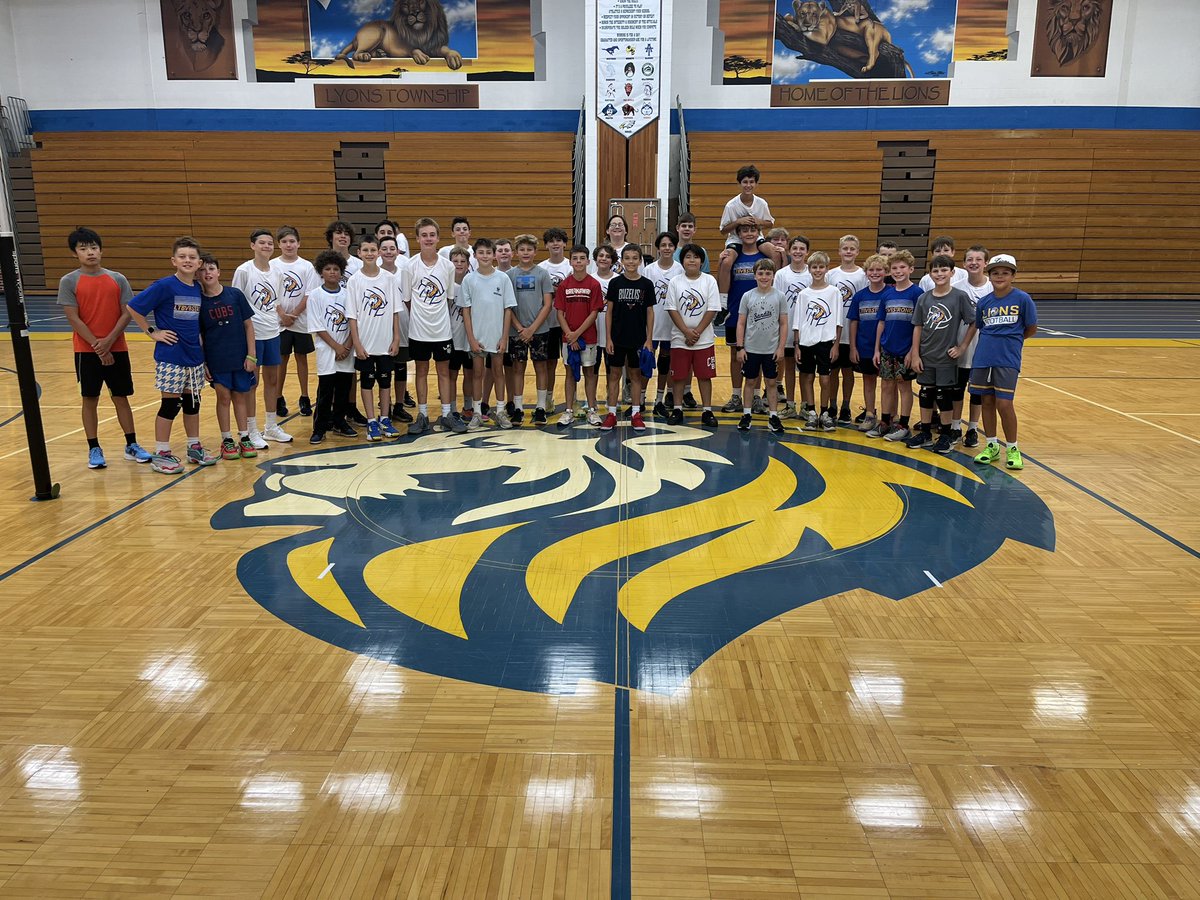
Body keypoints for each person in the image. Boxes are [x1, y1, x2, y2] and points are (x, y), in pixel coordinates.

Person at [57, 225, 152, 468]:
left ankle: (131, 444)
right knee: (90, 398)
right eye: (83, 248)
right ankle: (94, 448)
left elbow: (126, 313)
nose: (90, 252)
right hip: (86, 351)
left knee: (121, 397)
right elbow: (73, 318)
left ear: (101, 250)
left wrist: (109, 341)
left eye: (94, 247)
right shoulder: (69, 281)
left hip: (117, 347)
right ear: (74, 253)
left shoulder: (117, 278)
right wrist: (98, 346)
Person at [126, 236, 217, 473]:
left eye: (192, 257)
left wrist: (204, 358)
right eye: (183, 256)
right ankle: (162, 453)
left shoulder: (197, 288)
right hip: (171, 357)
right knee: (170, 405)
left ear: (199, 263)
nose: (187, 260)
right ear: (174, 260)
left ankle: (193, 447)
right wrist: (152, 332)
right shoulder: (164, 286)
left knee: (192, 404)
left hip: (194, 358)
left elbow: (196, 326)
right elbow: (133, 307)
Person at [961, 254, 1037, 470]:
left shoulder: (1022, 299)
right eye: (995, 273)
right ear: (990, 275)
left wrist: (1011, 341)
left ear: (1013, 275)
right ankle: (992, 445)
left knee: (1004, 403)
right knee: (986, 401)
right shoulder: (985, 302)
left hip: (1008, 359)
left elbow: (1031, 328)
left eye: (1005, 272)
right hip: (984, 357)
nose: (1000, 276)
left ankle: (1012, 448)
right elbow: (981, 327)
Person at [903, 254, 975, 455]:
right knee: (926, 394)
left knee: (944, 397)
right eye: (935, 270)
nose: (939, 274)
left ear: (952, 273)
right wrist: (915, 354)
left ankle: (946, 434)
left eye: (944, 270)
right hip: (926, 356)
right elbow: (917, 327)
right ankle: (925, 432)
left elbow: (974, 322)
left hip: (946, 358)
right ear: (930, 274)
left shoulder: (959, 296)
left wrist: (962, 347)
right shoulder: (924, 298)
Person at [403, 217, 467, 435]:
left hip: (442, 330)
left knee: (444, 372)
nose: (428, 239)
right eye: (424, 235)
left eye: (432, 235)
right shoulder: (410, 266)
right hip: (418, 330)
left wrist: (435, 316)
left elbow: (449, 298)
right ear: (417, 238)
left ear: (438, 238)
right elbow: (407, 300)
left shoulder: (447, 266)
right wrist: (421, 316)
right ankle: (422, 415)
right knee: (421, 371)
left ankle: (447, 413)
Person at [197, 254, 258, 460]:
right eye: (203, 270)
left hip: (240, 356)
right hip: (216, 358)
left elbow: (249, 326)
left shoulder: (235, 295)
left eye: (211, 269)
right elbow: (200, 335)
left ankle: (244, 437)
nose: (207, 273)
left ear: (219, 272)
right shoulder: (199, 302)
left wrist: (252, 355)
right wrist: (204, 362)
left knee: (240, 396)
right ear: (197, 274)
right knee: (223, 397)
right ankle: (227, 440)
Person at [232, 229, 283, 451]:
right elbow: (235, 302)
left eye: (270, 243)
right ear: (253, 245)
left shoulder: (278, 272)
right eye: (262, 243)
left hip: (273, 331)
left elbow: (276, 303)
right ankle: (251, 430)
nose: (266, 246)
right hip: (252, 334)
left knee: (273, 380)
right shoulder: (244, 271)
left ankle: (271, 426)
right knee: (252, 383)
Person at [458, 237, 516, 430]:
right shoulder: (469, 279)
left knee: (499, 372)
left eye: (488, 252)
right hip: (477, 338)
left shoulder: (503, 278)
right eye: (481, 253)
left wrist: (505, 336)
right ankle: (476, 412)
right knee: (477, 373)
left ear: (494, 255)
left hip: (497, 336)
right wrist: (471, 338)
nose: (485, 256)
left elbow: (508, 309)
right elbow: (465, 310)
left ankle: (500, 411)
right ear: (475, 255)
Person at [346, 235, 400, 441]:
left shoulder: (389, 279)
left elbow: (395, 311)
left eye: (372, 250)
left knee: (386, 383)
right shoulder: (354, 281)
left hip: (385, 344)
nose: (369, 254)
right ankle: (371, 421)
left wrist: (396, 338)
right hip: (365, 345)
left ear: (378, 252)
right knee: (367, 383)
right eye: (365, 250)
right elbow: (352, 316)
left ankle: (385, 418)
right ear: (359, 253)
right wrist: (357, 344)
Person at [664, 244, 721, 427]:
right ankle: (678, 409)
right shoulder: (675, 282)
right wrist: (686, 332)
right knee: (679, 376)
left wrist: (696, 332)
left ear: (701, 261)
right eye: (688, 257)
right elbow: (672, 309)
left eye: (696, 257)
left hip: (703, 339)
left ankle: (707, 411)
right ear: (682, 261)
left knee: (704, 376)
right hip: (680, 338)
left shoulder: (709, 281)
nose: (692, 260)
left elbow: (712, 309)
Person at [868, 250, 923, 441]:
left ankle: (903, 425)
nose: (898, 271)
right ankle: (885, 422)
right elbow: (881, 323)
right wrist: (877, 349)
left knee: (904, 386)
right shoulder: (888, 294)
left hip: (905, 350)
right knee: (886, 386)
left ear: (911, 269)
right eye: (894, 268)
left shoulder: (917, 293)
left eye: (902, 267)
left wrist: (913, 351)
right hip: (887, 349)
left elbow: (919, 325)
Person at [602, 244, 656, 433]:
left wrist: (649, 339)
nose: (631, 261)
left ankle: (635, 413)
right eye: (627, 258)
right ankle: (611, 414)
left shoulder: (647, 284)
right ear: (621, 261)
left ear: (640, 261)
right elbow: (609, 312)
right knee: (614, 375)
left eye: (635, 258)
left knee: (635, 376)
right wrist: (608, 338)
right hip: (617, 338)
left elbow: (650, 312)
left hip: (638, 339)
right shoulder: (615, 283)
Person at [719, 222, 769, 414]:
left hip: (761, 315)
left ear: (758, 233)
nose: (749, 233)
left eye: (752, 230)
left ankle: (756, 396)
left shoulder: (764, 256)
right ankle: (736, 395)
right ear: (738, 234)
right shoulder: (732, 256)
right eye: (745, 230)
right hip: (735, 312)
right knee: (735, 356)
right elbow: (721, 279)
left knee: (758, 355)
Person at [307, 252, 357, 444]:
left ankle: (339, 421)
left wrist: (347, 346)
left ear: (341, 272)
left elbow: (354, 322)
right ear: (321, 272)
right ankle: (320, 427)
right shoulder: (315, 296)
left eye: (336, 269)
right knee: (326, 391)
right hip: (327, 349)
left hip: (346, 349)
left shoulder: (348, 295)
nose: (332, 272)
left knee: (344, 388)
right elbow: (317, 326)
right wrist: (337, 347)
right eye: (328, 269)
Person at [553, 245, 605, 427]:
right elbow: (560, 313)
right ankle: (568, 411)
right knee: (569, 374)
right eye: (575, 259)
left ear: (588, 261)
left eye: (582, 258)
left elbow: (594, 313)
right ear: (571, 261)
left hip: (588, 338)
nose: (579, 262)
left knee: (589, 373)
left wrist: (577, 334)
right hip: (569, 339)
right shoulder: (564, 285)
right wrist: (569, 335)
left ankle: (592, 410)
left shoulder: (594, 284)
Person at [505, 234, 555, 425]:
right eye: (522, 249)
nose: (525, 253)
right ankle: (518, 408)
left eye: (529, 249)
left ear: (535, 252)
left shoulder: (542, 274)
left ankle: (540, 407)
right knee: (518, 368)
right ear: (516, 252)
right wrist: (520, 328)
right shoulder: (509, 275)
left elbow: (547, 304)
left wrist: (532, 329)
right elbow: (507, 305)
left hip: (539, 330)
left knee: (540, 367)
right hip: (516, 331)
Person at [735, 259, 788, 434]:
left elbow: (783, 324)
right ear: (754, 275)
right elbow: (741, 323)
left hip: (771, 350)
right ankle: (747, 414)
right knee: (750, 381)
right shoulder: (748, 296)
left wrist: (781, 347)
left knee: (771, 383)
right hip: (751, 349)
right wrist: (740, 347)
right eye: (760, 273)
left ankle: (773, 416)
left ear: (773, 275)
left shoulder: (779, 296)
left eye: (768, 273)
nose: (764, 277)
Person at [792, 251, 843, 433]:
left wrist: (836, 345)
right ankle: (811, 411)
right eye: (814, 267)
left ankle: (825, 413)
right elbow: (797, 321)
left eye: (821, 267)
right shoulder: (804, 294)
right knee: (807, 376)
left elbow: (838, 321)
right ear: (809, 269)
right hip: (806, 341)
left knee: (825, 379)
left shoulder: (834, 292)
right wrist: (797, 345)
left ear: (826, 269)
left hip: (826, 342)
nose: (818, 270)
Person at [272, 225, 316, 431]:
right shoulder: (272, 266)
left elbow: (309, 294)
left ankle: (305, 396)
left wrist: (295, 314)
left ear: (298, 243)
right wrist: (282, 314)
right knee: (281, 360)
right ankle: (278, 397)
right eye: (284, 242)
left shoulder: (307, 266)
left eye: (292, 241)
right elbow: (270, 293)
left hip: (301, 322)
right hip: (279, 323)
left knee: (302, 359)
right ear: (278, 244)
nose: (288, 245)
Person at [826, 235, 868, 425]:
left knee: (848, 372)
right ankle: (832, 405)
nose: (848, 252)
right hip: (832, 332)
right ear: (839, 251)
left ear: (857, 252)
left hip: (852, 333)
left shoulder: (862, 276)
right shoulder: (831, 275)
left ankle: (845, 406)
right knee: (832, 371)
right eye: (845, 248)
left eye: (852, 248)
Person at [954, 245, 991, 448]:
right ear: (964, 263)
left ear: (985, 263)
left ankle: (973, 428)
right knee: (957, 390)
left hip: (984, 349)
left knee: (977, 393)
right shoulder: (957, 288)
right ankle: (955, 426)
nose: (974, 262)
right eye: (970, 259)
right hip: (960, 347)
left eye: (978, 259)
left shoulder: (993, 288)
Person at [847, 254, 889, 434]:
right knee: (868, 381)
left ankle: (889, 417)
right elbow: (854, 321)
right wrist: (853, 347)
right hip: (864, 346)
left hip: (886, 347)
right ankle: (870, 414)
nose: (875, 273)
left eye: (879, 269)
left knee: (889, 383)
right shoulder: (859, 296)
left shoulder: (890, 293)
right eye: (871, 270)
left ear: (886, 272)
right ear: (865, 273)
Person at [773, 235, 812, 419]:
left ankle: (805, 405)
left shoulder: (813, 273)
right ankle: (790, 404)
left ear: (807, 252)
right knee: (788, 367)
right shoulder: (781, 274)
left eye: (801, 248)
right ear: (789, 251)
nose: (798, 252)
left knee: (805, 369)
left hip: (807, 328)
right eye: (794, 248)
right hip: (787, 327)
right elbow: (777, 301)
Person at [646, 234, 685, 416]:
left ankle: (659, 399)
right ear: (658, 248)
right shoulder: (649, 270)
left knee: (665, 364)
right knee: (645, 363)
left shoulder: (680, 270)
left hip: (672, 326)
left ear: (675, 248)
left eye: (670, 245)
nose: (667, 248)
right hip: (652, 325)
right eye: (663, 245)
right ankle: (640, 399)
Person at [377, 235, 413, 423]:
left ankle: (399, 405)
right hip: (380, 330)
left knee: (400, 367)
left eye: (392, 248)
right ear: (379, 252)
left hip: (403, 327)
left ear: (398, 251)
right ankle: (384, 406)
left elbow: (409, 301)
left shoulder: (404, 274)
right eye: (385, 248)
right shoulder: (374, 275)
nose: (389, 252)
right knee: (382, 370)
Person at [538, 227, 573, 417]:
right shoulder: (542, 268)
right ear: (546, 245)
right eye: (551, 241)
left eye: (559, 240)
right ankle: (549, 398)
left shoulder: (571, 266)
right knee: (550, 363)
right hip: (549, 324)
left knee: (571, 363)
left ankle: (572, 399)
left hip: (569, 323)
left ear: (565, 244)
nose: (555, 244)